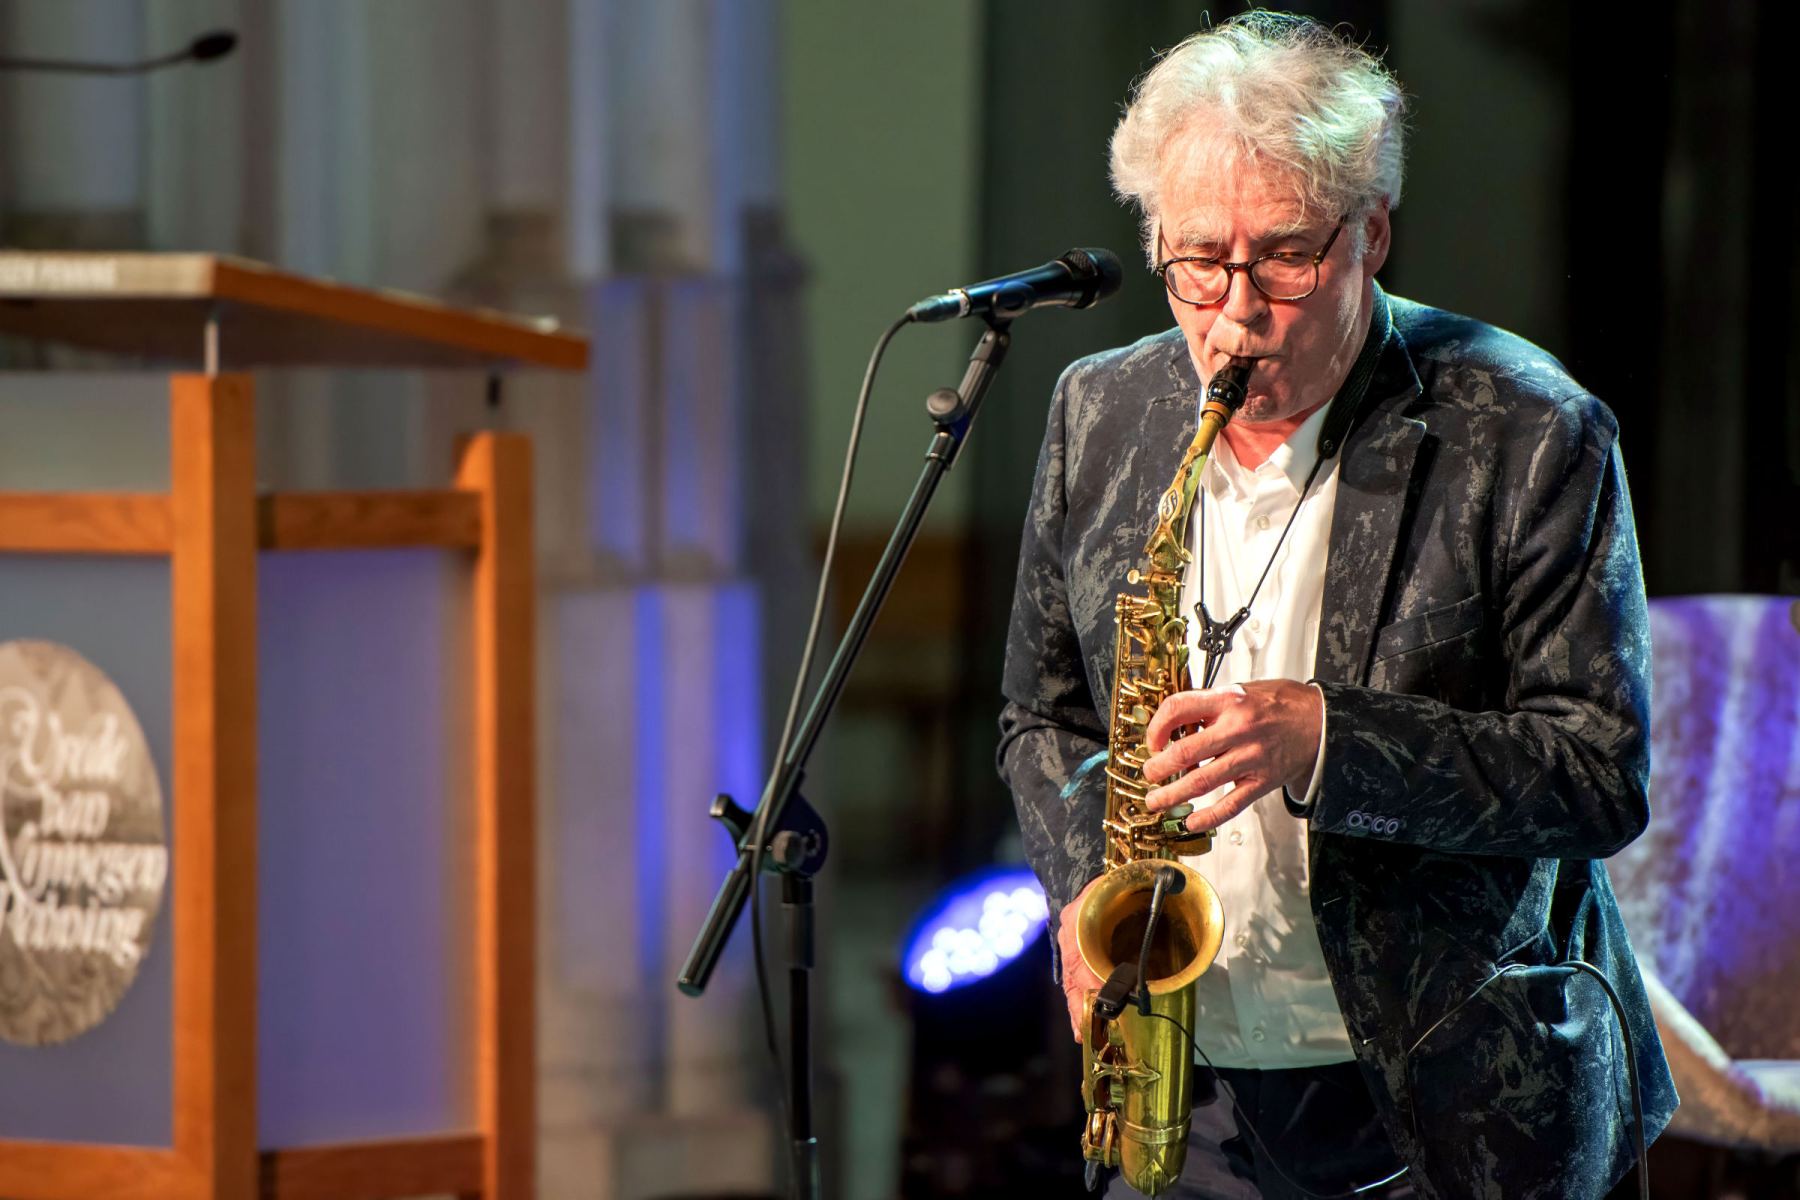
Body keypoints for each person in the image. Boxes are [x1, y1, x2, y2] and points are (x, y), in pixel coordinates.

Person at [997, 13, 1676, 1199]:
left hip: (1449, 1096)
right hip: (1190, 1085)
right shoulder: (1098, 413)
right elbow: (1039, 717)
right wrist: (1083, 895)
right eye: (1198, 261)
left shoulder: (1528, 428)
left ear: (1371, 233)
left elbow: (1597, 771)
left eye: (1285, 259)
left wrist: (1328, 738)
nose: (1235, 314)